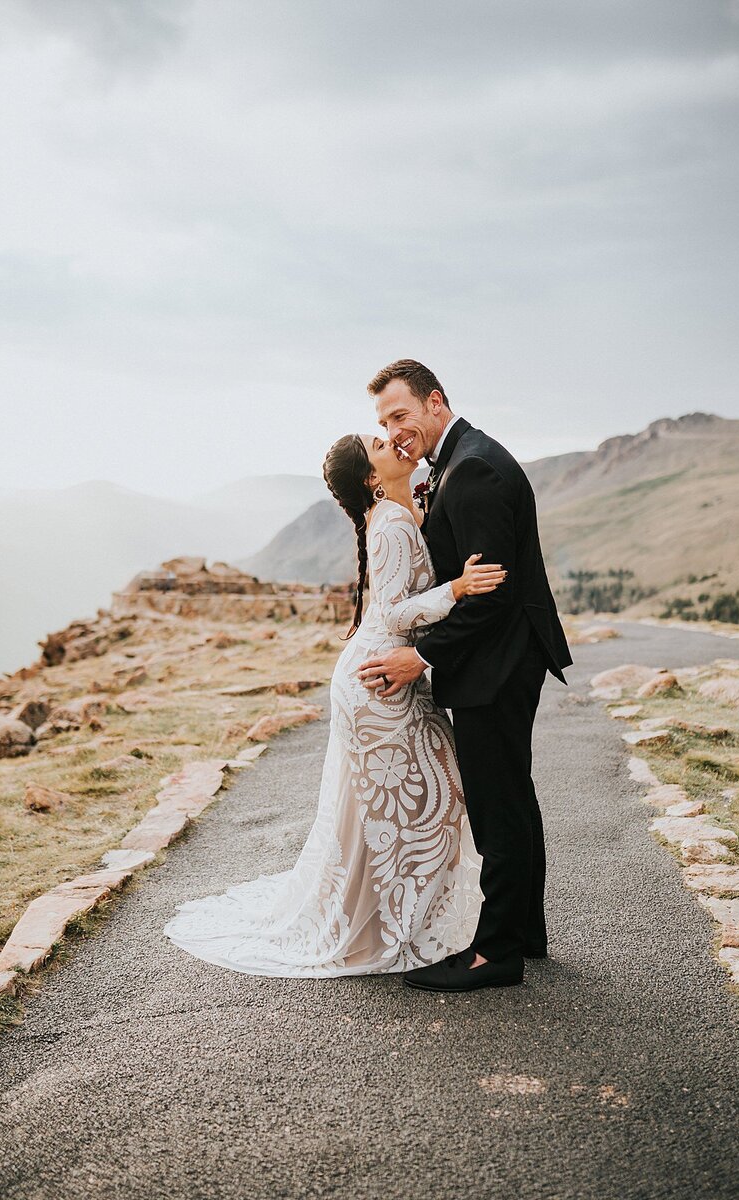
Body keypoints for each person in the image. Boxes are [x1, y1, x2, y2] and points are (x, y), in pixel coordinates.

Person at [163, 429, 506, 976]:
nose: (391, 443)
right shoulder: (391, 523)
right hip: (379, 683)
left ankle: (393, 919)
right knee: (419, 804)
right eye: (379, 446)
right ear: (371, 478)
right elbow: (394, 613)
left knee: (399, 806)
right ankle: (389, 927)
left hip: (386, 674)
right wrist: (457, 590)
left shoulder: (398, 514)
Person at [359, 359, 573, 993]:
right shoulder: (460, 460)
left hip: (498, 661)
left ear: (435, 402)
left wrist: (420, 658)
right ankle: (523, 933)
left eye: (401, 415)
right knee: (511, 794)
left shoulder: (473, 468)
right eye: (383, 424)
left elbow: (492, 596)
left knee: (495, 802)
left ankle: (495, 954)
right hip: (501, 656)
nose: (394, 432)